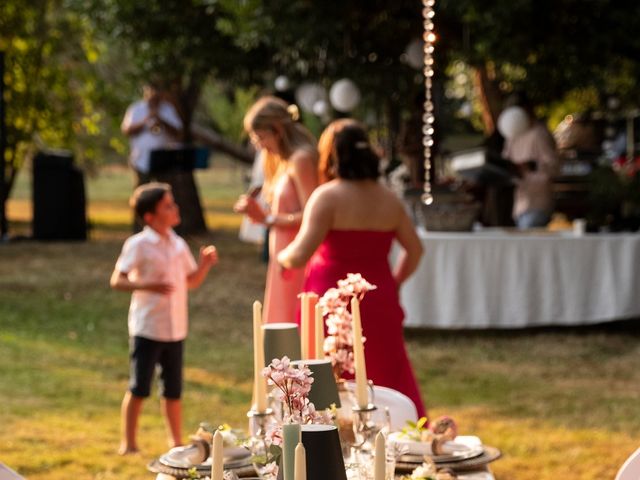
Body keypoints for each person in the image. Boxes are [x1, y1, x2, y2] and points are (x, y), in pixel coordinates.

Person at [277, 119, 427, 417]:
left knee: (326, 379)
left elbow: (299, 254)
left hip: (332, 304)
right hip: (379, 296)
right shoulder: (389, 200)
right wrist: (395, 282)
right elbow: (415, 250)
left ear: (331, 156)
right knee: (386, 372)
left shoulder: (327, 197)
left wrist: (281, 255)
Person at [110, 182, 218, 455]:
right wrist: (147, 285)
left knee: (173, 390)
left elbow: (190, 281)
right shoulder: (138, 245)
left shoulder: (178, 244)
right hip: (148, 327)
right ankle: (129, 443)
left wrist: (204, 265)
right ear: (149, 216)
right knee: (139, 387)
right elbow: (117, 280)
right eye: (168, 205)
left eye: (173, 203)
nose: (175, 208)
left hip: (175, 328)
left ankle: (175, 441)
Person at [234, 96, 318, 324]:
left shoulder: (301, 160)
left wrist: (267, 218)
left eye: (261, 137)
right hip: (281, 248)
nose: (259, 145)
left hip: (298, 251)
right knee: (281, 318)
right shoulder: (281, 160)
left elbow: (314, 216)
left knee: (294, 320)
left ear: (278, 130)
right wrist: (258, 215)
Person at [500, 93, 559, 229]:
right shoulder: (512, 136)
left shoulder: (539, 134)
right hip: (520, 204)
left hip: (538, 203)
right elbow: (506, 161)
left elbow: (554, 167)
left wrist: (529, 166)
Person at [121, 83, 183, 187]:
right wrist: (146, 120)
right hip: (141, 159)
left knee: (164, 191)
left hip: (164, 160)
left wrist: (161, 120)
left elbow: (178, 132)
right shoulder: (137, 109)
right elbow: (126, 130)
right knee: (142, 191)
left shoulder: (168, 109)